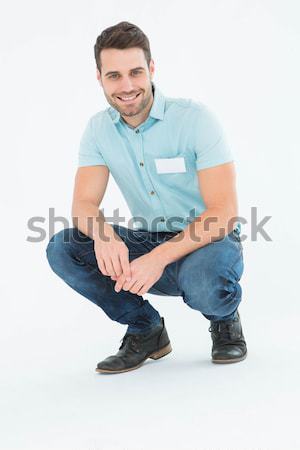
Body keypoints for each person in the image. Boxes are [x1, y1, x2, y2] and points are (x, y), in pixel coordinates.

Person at [46, 21, 247, 374]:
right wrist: (105, 236)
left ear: (152, 69)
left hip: (208, 240)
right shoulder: (98, 130)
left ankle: (225, 318)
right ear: (99, 78)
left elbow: (224, 212)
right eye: (114, 76)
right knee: (65, 246)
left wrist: (158, 258)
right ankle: (146, 329)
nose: (126, 86)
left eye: (136, 72)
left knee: (204, 281)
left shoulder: (195, 120)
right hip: (148, 239)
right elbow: (83, 205)